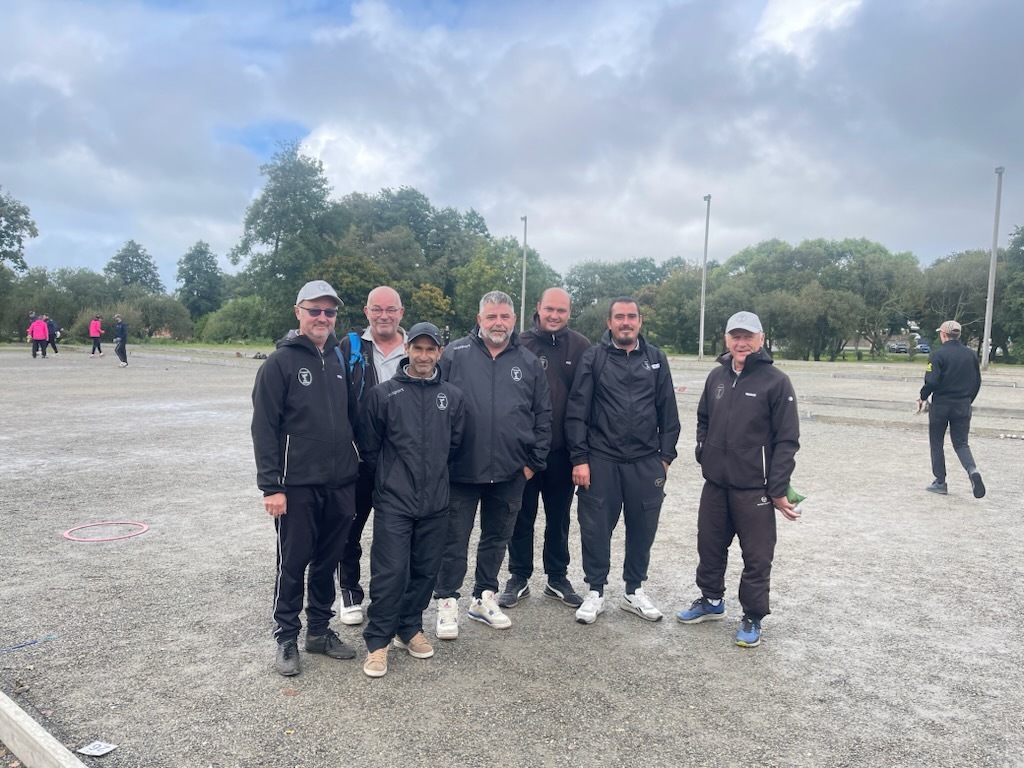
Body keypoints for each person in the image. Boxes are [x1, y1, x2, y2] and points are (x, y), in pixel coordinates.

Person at [251, 280, 362, 677]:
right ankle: (286, 637)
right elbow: (264, 428)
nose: (322, 318)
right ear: (298, 311)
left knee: (328, 561)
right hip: (296, 484)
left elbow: (350, 418)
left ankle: (318, 630)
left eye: (329, 312)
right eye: (314, 310)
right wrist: (272, 486)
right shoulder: (279, 363)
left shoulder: (338, 359)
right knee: (293, 563)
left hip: (339, 482)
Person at [677, 311, 800, 649]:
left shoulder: (776, 382)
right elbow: (703, 418)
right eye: (736, 336)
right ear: (727, 339)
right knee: (710, 546)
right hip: (716, 484)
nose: (741, 343)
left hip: (754, 488)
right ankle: (711, 600)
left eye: (748, 336)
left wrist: (777, 487)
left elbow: (787, 440)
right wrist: (703, 450)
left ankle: (753, 615)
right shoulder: (716, 376)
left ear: (761, 339)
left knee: (757, 556)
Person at [432, 290, 551, 639]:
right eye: (491, 316)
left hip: (511, 472)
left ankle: (483, 598)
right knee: (453, 541)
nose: (498, 323)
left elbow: (543, 415)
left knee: (497, 538)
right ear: (479, 319)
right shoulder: (454, 354)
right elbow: (433, 404)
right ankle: (447, 602)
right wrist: (440, 459)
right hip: (460, 471)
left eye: (504, 316)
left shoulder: (528, 361)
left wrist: (532, 463)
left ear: (514, 320)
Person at [358, 323, 466, 678]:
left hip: (435, 502)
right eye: (417, 348)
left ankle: (409, 628)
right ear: (407, 349)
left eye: (430, 349)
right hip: (395, 502)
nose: (423, 355)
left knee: (425, 570)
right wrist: (390, 480)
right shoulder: (384, 394)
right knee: (390, 573)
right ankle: (378, 641)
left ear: (440, 352)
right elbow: (370, 448)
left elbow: (454, 446)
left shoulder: (452, 397)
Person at [566, 297, 680, 625]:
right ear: (609, 322)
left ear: (640, 321)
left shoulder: (656, 359)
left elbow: (668, 412)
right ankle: (595, 591)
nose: (626, 322)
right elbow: (577, 412)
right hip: (602, 459)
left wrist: (664, 458)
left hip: (646, 462)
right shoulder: (594, 358)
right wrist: (580, 458)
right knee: (595, 528)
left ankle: (634, 590)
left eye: (631, 316)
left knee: (643, 528)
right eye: (619, 317)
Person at [498, 287, 591, 610]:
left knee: (559, 518)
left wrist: (581, 454)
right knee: (520, 516)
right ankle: (518, 575)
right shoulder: (518, 342)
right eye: (549, 309)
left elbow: (585, 401)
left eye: (561, 311)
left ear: (569, 313)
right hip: (523, 452)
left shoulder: (581, 346)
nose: (554, 315)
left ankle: (557, 577)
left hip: (562, 452)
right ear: (538, 308)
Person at [336, 286, 408, 627]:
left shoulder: (416, 348)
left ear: (401, 312)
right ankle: (349, 592)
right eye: (377, 309)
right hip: (359, 458)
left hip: (403, 461)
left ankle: (391, 598)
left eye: (391, 309)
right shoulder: (349, 347)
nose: (384, 315)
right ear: (366, 312)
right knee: (349, 530)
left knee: (395, 534)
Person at [918, 320, 985, 498]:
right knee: (961, 443)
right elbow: (977, 381)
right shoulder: (971, 355)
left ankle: (940, 482)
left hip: (941, 405)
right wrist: (968, 400)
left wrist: (923, 396)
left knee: (937, 442)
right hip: (963, 404)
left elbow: (931, 381)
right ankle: (972, 470)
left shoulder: (937, 355)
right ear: (959, 335)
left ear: (943, 335)